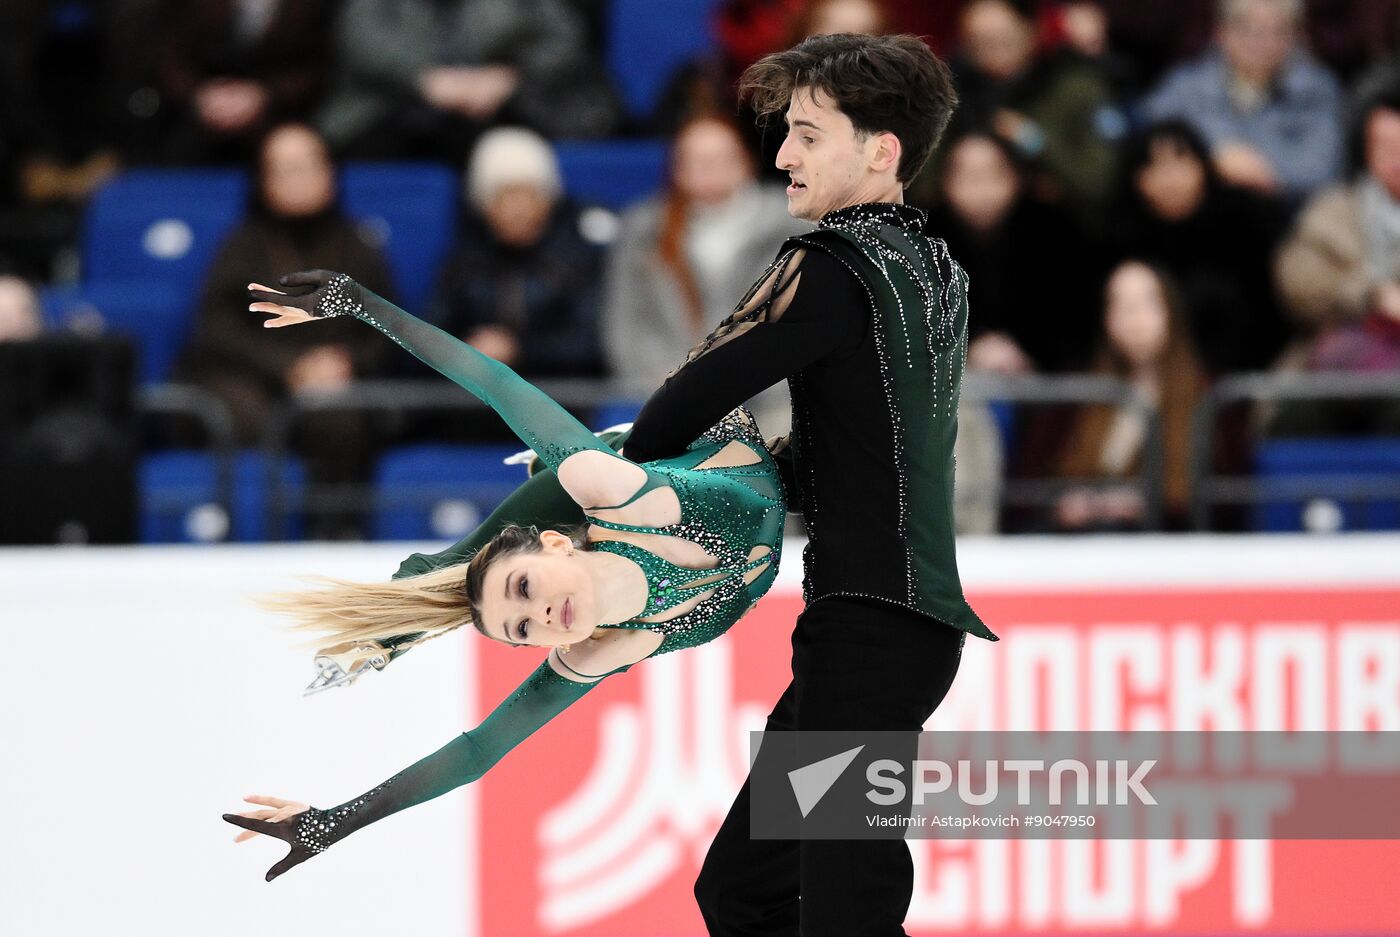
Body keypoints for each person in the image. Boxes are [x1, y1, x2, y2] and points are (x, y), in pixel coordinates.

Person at [221, 268, 787, 881]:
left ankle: (430, 592)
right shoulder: (597, 652)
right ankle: (406, 622)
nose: (537, 616)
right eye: (521, 631)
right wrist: (337, 821)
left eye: (524, 593)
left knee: (534, 509)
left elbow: (493, 381)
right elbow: (477, 753)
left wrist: (361, 304)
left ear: (556, 548)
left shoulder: (617, 494)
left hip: (696, 435)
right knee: (490, 564)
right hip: (793, 519)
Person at [616, 33, 998, 936]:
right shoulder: (937, 270)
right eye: (786, 133)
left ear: (880, 151)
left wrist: (622, 485)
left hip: (869, 632)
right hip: (885, 632)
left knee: (846, 912)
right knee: (742, 890)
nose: (782, 156)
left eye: (808, 135)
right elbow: (850, 455)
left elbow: (686, 397)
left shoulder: (834, 266)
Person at [173, 123, 394, 538]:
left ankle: (334, 537)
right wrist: (288, 366)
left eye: (307, 166)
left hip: (333, 385)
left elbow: (388, 329)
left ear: (330, 173)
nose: (298, 179)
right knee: (241, 415)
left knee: (338, 417)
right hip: (252, 380)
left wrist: (342, 363)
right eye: (284, 169)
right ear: (264, 180)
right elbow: (215, 329)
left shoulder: (358, 246)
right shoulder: (242, 244)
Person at [602, 110, 807, 433]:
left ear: (745, 160)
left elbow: (805, 320)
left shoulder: (793, 226)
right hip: (668, 401)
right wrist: (665, 379)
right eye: (698, 160)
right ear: (677, 168)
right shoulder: (644, 230)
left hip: (772, 403)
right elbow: (625, 321)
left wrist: (749, 379)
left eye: (721, 158)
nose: (710, 169)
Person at [1036, 260, 1207, 532]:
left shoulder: (1205, 399)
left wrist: (1147, 504)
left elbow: (1220, 504)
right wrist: (1068, 502)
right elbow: (1035, 480)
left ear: (1172, 312)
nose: (1134, 319)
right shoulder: (1080, 397)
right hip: (1083, 546)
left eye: (1147, 303)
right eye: (1121, 305)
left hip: (1164, 548)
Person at [1110, 118, 1287, 374]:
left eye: (1181, 161)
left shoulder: (1245, 224)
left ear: (1204, 167)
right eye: (1154, 166)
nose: (1170, 179)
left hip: (1242, 378)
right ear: (1136, 179)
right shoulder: (1120, 240)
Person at [430, 126, 604, 379]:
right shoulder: (464, 262)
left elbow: (590, 341)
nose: (518, 210)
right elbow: (431, 335)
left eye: (528, 194)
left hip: (559, 396)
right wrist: (466, 352)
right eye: (505, 196)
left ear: (547, 200)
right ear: (484, 205)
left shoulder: (578, 259)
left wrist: (519, 349)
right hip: (477, 397)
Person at [1140, 0, 1344, 208]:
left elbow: (1323, 171)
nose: (1263, 42)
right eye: (1249, 30)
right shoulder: (1185, 86)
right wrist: (1216, 155)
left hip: (1285, 218)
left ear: (1297, 37)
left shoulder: (1317, 90)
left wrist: (1260, 170)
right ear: (1221, 32)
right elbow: (1147, 138)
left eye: (1278, 31)